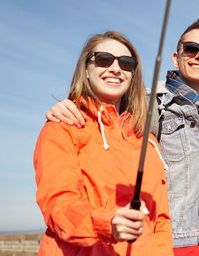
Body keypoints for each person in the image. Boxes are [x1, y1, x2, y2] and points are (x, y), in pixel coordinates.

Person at [46, 18, 199, 255]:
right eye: (191, 48)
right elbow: (60, 198)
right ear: (175, 57)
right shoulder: (147, 105)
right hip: (175, 241)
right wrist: (64, 107)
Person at [34, 31, 173, 255]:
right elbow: (58, 204)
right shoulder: (62, 127)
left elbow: (161, 221)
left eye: (126, 63)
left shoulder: (147, 140)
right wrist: (107, 223)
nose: (116, 69)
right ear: (86, 69)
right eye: (104, 60)